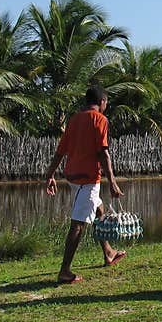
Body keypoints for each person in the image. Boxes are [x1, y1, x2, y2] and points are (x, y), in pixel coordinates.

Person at [45, 85, 125, 284]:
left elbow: (60, 151)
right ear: (102, 102)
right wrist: (113, 183)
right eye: (106, 102)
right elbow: (103, 153)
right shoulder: (100, 120)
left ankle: (108, 252)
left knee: (99, 210)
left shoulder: (74, 119)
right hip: (88, 179)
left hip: (72, 176)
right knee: (78, 226)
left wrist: (50, 174)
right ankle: (65, 271)